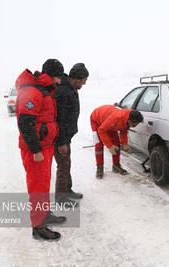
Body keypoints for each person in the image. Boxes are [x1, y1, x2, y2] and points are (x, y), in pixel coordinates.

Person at [15, 59, 67, 241]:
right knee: (37, 188)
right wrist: (36, 149)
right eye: (57, 77)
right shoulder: (32, 91)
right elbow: (26, 123)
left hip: (44, 148)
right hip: (35, 150)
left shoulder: (44, 90)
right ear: (47, 75)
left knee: (43, 185)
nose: (59, 81)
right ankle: (38, 227)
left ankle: (44, 215)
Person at [54, 63, 89, 204]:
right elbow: (59, 120)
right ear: (76, 78)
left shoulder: (70, 88)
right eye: (83, 80)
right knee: (62, 166)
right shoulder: (63, 91)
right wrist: (61, 142)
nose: (84, 83)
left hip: (66, 136)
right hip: (60, 138)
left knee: (66, 163)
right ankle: (61, 198)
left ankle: (67, 190)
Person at [90, 105, 144, 178]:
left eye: (136, 124)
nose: (134, 126)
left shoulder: (127, 119)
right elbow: (101, 130)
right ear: (129, 120)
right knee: (99, 144)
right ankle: (99, 167)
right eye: (134, 124)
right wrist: (109, 146)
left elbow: (123, 131)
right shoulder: (116, 117)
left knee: (116, 143)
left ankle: (116, 165)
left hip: (109, 124)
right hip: (96, 119)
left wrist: (125, 144)